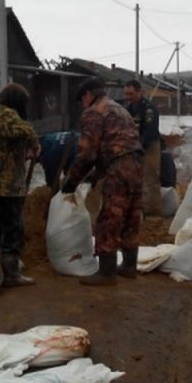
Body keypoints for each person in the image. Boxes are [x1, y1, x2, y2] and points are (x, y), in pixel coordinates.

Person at [62, 78, 144, 286]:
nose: (83, 104)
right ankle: (129, 266)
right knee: (131, 214)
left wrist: (72, 180)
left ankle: (107, 273)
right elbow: (115, 145)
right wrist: (95, 176)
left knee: (110, 216)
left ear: (88, 95)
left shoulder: (94, 112)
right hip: (136, 163)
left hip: (119, 167)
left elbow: (87, 153)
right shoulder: (119, 108)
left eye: (82, 99)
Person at [0, 83, 40, 286]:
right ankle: (11, 274)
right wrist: (34, 143)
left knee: (1, 224)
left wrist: (24, 153)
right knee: (13, 227)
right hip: (7, 184)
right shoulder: (7, 116)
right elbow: (25, 130)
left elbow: (4, 146)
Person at [124, 79, 162, 216]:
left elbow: (150, 132)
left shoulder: (149, 109)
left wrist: (139, 147)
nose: (128, 97)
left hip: (150, 145)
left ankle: (153, 211)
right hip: (134, 146)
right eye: (126, 94)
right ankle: (139, 207)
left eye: (131, 94)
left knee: (151, 177)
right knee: (134, 179)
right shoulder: (128, 109)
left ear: (139, 92)